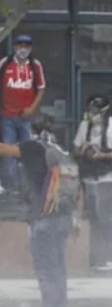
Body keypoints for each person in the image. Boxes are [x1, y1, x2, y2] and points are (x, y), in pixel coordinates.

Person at [1, 129, 77, 307]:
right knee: (58, 270)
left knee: (46, 271)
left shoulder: (32, 147)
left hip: (44, 218)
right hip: (62, 217)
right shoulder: (59, 151)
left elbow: (4, 149)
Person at [73, 94, 112, 273]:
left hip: (106, 176)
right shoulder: (84, 125)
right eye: (90, 109)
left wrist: (102, 154)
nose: (91, 112)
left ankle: (108, 256)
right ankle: (96, 256)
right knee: (93, 217)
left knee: (105, 216)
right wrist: (84, 149)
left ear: (104, 110)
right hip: (89, 175)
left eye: (95, 109)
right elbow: (75, 149)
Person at [0, 34, 46, 193]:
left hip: (27, 118)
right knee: (8, 153)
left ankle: (30, 188)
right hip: (7, 116)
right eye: (20, 45)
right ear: (14, 47)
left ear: (31, 48)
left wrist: (32, 108)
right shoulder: (4, 64)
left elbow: (41, 89)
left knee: (29, 153)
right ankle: (13, 188)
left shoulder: (35, 65)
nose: (23, 49)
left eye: (27, 46)